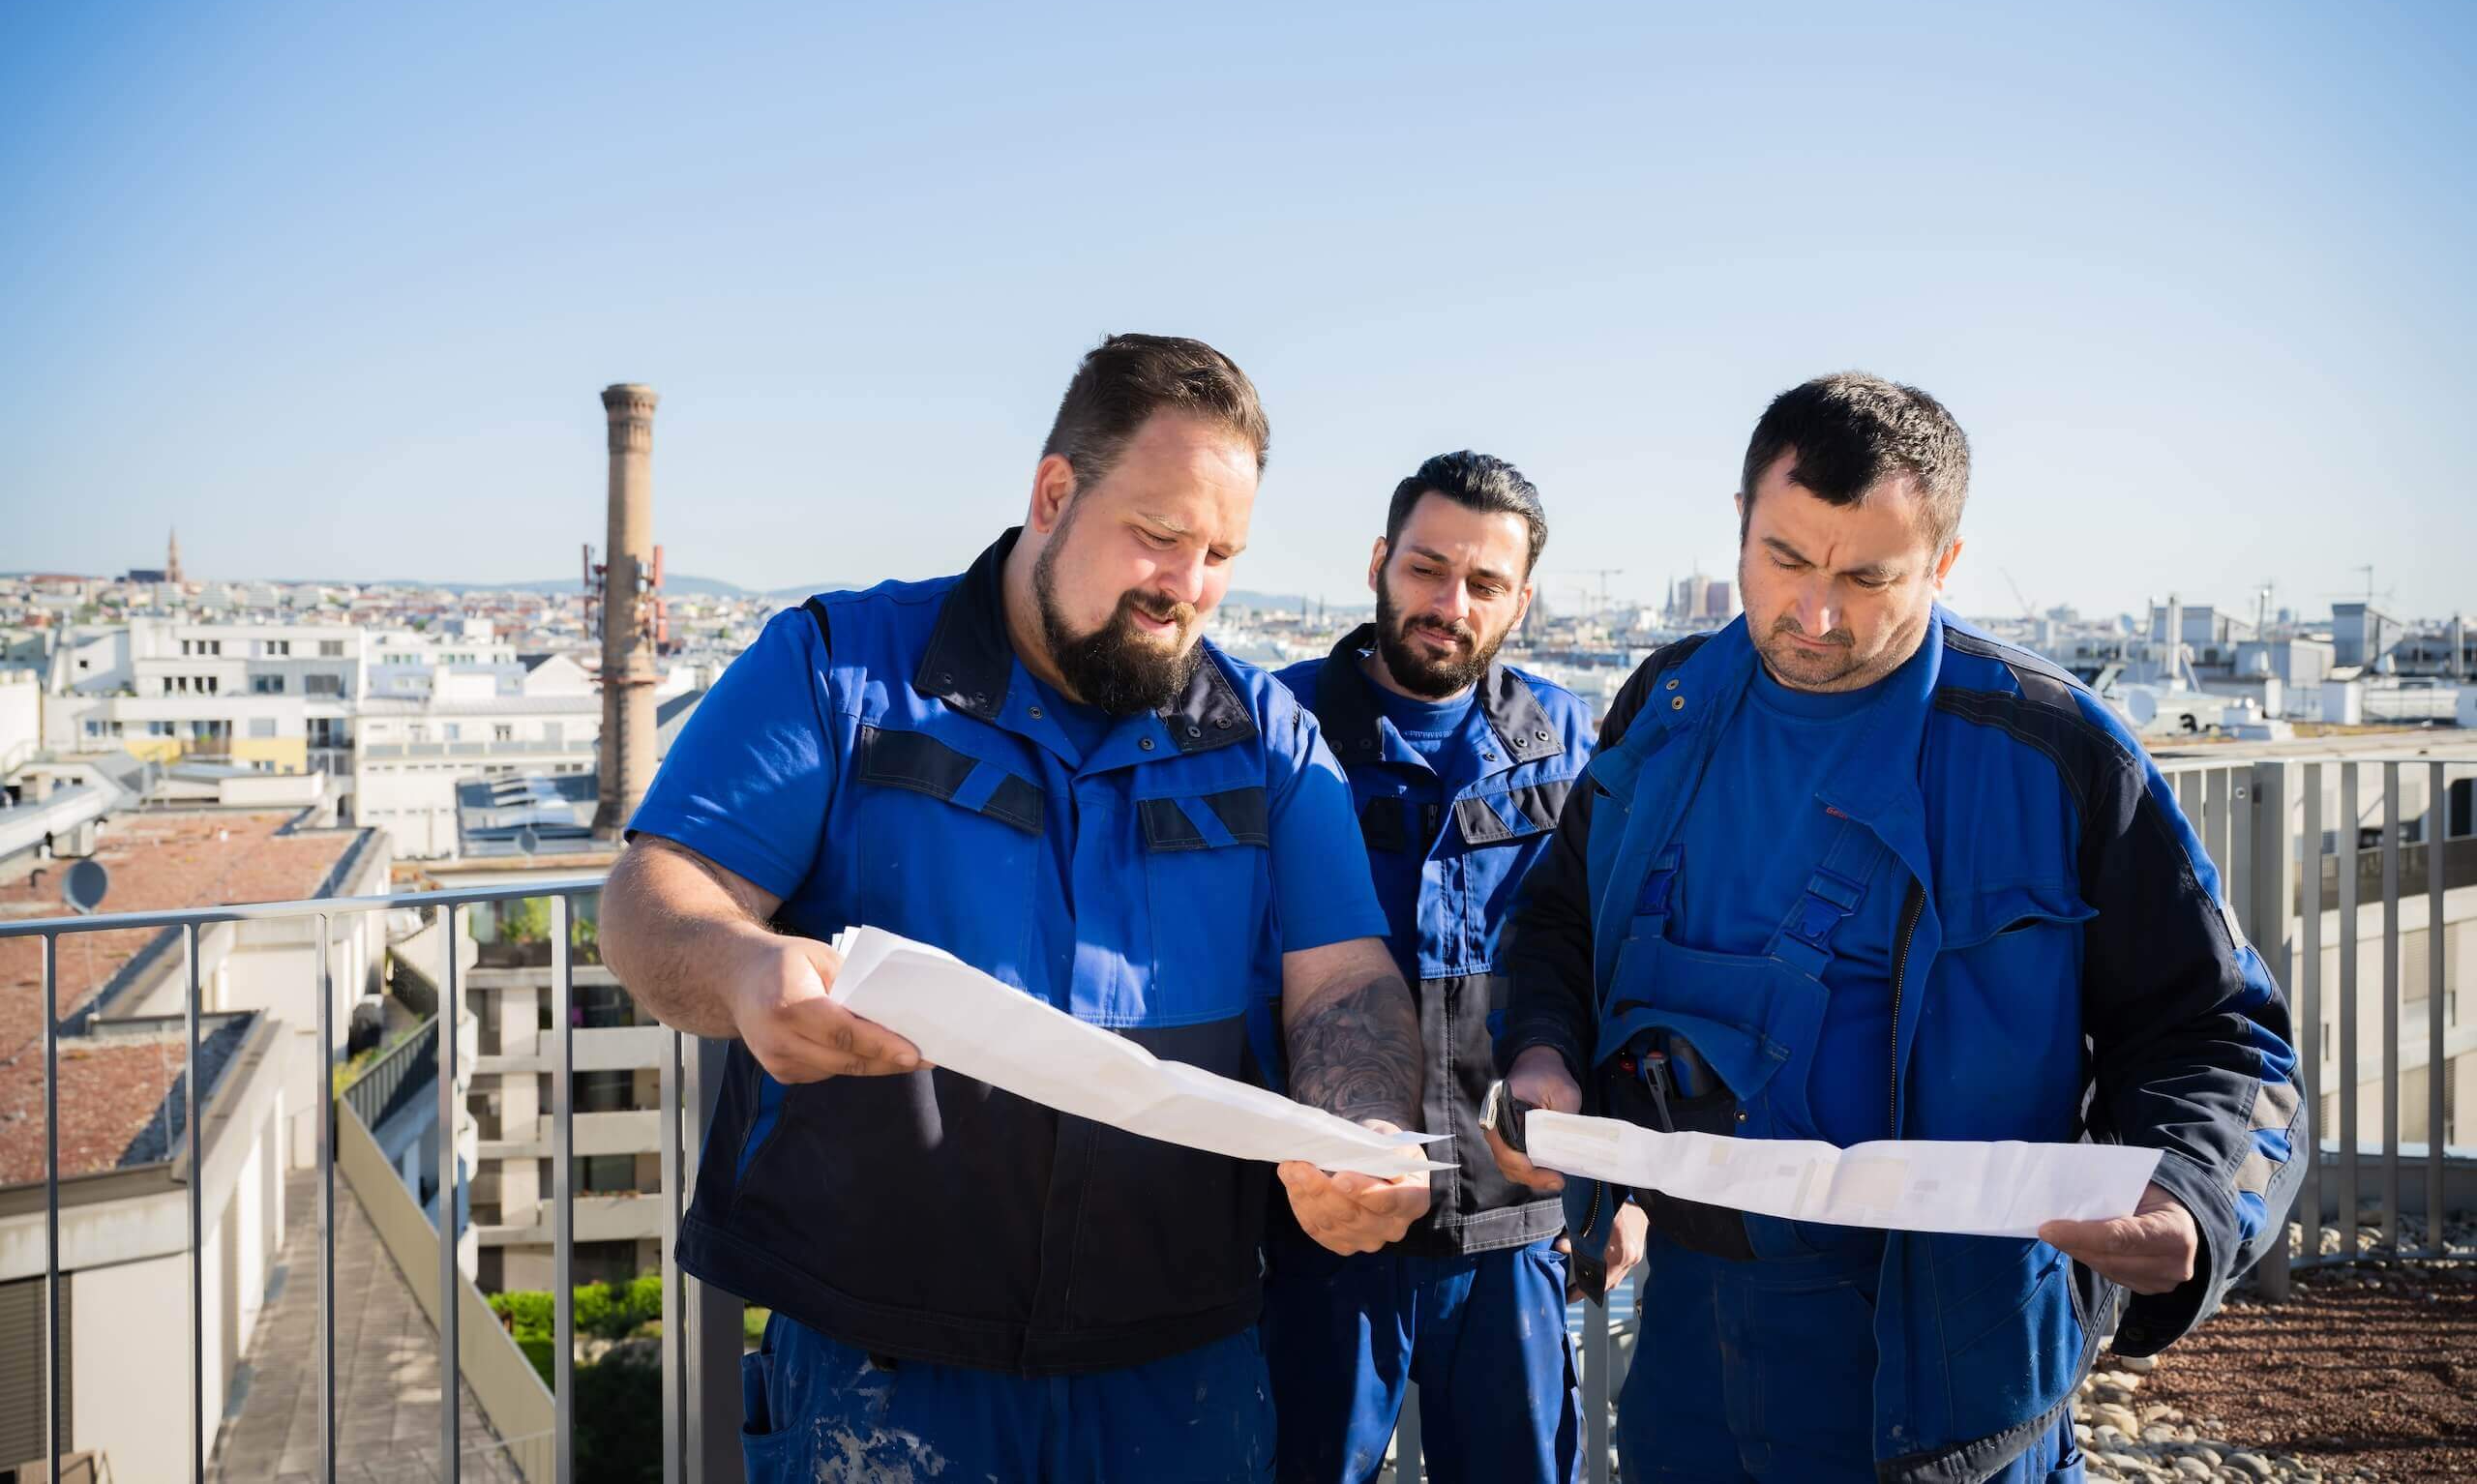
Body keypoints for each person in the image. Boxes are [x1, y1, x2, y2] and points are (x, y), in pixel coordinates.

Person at [598, 334, 1432, 1483]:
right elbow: (656, 899)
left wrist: (1364, 1133)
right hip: (880, 1359)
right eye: (1157, 536)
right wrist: (746, 971)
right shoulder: (841, 669)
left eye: (1219, 554)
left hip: (1181, 1364)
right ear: (1054, 494)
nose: (1186, 587)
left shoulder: (1268, 741)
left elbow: (1343, 982)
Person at [1486, 373, 2306, 1484]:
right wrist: (1540, 1054)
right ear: (1738, 521)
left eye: (1867, 578)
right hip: (1694, 1363)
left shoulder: (2053, 750)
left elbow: (2220, 1033)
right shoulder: (1664, 707)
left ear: (1945, 564)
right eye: (1782, 561)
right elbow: (1557, 919)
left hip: (1951, 1384)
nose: (1813, 615)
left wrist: (2193, 1200)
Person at [1259, 453, 1633, 1484]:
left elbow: (1618, 968)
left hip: (1508, 1221)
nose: (1448, 604)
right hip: (1314, 1222)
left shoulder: (1569, 747)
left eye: (1483, 584)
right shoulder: (1276, 732)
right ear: (1379, 562)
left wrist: (1624, 1193)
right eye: (1426, 570)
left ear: (1522, 599)